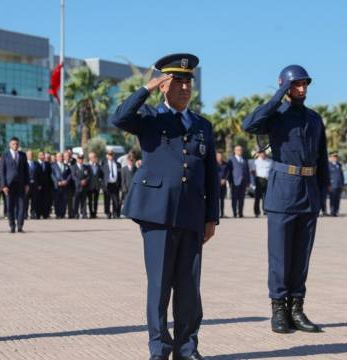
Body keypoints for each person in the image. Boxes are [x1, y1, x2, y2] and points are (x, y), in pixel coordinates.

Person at [112, 53, 219, 360]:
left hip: (191, 214)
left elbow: (211, 173)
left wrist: (212, 216)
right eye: (178, 81)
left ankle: (187, 348)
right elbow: (119, 117)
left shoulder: (203, 126)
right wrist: (146, 88)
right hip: (156, 212)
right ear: (164, 85)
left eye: (189, 82)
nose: (185, 87)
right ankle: (159, 348)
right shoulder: (149, 117)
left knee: (188, 287)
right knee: (159, 286)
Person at [243, 64, 328, 334]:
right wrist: (279, 94)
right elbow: (250, 124)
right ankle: (278, 308)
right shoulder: (276, 114)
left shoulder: (314, 119)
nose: (301, 89)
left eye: (304, 84)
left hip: (308, 192)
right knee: (280, 255)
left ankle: (297, 308)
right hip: (282, 193)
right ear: (285, 86)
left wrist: (321, 193)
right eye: (295, 85)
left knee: (301, 256)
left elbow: (322, 158)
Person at [1, 137, 30, 233]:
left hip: (21, 185)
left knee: (21, 206)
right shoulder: (5, 155)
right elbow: (2, 172)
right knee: (10, 206)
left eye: (17, 144)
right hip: (9, 186)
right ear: (10, 144)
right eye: (13, 144)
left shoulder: (22, 155)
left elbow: (26, 171)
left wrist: (27, 184)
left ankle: (20, 226)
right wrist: (3, 185)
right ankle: (12, 226)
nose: (15, 145)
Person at [227, 145, 250, 218]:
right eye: (238, 150)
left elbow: (247, 171)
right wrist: (229, 181)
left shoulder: (244, 159)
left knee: (242, 198)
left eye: (241, 150)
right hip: (235, 182)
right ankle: (234, 213)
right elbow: (229, 172)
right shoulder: (231, 159)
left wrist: (248, 181)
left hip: (243, 182)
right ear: (235, 151)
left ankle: (240, 213)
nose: (240, 151)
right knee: (234, 198)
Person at [101, 150, 121, 219]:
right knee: (107, 200)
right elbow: (101, 175)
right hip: (107, 184)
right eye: (109, 155)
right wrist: (103, 185)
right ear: (107, 156)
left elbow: (120, 175)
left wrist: (120, 184)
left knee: (115, 200)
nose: (111, 156)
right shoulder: (104, 164)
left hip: (115, 184)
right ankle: (108, 213)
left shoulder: (117, 164)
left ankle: (115, 213)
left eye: (112, 155)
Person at [252, 150, 272, 218]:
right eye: (261, 154)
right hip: (258, 180)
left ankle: (265, 210)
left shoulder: (269, 161)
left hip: (267, 180)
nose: (263, 155)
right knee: (257, 197)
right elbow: (252, 172)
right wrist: (253, 183)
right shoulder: (255, 161)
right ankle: (256, 212)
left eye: (264, 153)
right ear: (259, 154)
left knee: (266, 197)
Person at [51, 152, 71, 219]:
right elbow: (52, 175)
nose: (60, 158)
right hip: (57, 186)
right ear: (56, 158)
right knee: (57, 200)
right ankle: (58, 214)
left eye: (61, 156)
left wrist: (66, 181)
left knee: (64, 200)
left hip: (65, 186)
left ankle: (63, 213)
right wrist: (57, 182)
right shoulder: (53, 166)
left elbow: (69, 175)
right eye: (59, 157)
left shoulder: (66, 166)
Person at [72, 153, 91, 218]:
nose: (81, 160)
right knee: (76, 201)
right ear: (77, 159)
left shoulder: (86, 167)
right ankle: (75, 214)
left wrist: (85, 180)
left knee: (84, 201)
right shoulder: (73, 167)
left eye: (82, 159)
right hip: (76, 187)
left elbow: (88, 176)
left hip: (84, 186)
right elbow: (73, 176)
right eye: (79, 158)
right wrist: (80, 182)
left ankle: (84, 214)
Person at [87, 151, 103, 218]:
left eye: (95, 157)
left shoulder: (98, 166)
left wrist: (100, 181)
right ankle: (91, 213)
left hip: (96, 186)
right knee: (90, 201)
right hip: (89, 186)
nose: (94, 158)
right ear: (90, 158)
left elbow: (101, 175)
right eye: (93, 157)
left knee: (96, 201)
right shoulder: (87, 166)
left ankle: (95, 213)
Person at [327, 152, 345, 216]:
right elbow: (327, 176)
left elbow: (341, 175)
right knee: (332, 199)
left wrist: (343, 184)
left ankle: (336, 210)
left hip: (339, 185)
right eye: (333, 157)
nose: (335, 158)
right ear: (331, 158)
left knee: (338, 199)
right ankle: (332, 211)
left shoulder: (339, 165)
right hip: (332, 185)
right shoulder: (328, 165)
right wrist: (328, 184)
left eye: (336, 157)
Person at [37, 151, 53, 219]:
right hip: (38, 186)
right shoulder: (36, 164)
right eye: (41, 155)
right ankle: (38, 214)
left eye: (43, 155)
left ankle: (45, 214)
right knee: (38, 200)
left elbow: (50, 175)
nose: (42, 156)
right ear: (38, 156)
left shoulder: (47, 164)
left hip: (47, 186)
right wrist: (37, 184)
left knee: (46, 200)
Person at [26, 150, 40, 220]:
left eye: (31, 154)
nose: (30, 156)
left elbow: (39, 175)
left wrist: (39, 184)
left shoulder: (36, 164)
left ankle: (33, 213)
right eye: (29, 154)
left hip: (35, 185)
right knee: (26, 200)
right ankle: (25, 214)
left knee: (34, 201)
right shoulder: (24, 163)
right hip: (27, 185)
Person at [63, 151, 76, 218]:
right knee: (64, 200)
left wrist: (67, 180)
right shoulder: (62, 163)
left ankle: (71, 214)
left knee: (71, 200)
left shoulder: (73, 163)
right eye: (65, 156)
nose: (67, 157)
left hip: (71, 184)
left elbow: (72, 174)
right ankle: (63, 213)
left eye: (68, 156)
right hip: (63, 185)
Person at [216, 152, 229, 218]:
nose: (219, 157)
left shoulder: (225, 164)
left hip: (223, 184)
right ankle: (216, 214)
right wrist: (218, 180)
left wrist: (225, 179)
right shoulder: (213, 164)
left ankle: (222, 213)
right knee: (216, 200)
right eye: (218, 156)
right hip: (215, 184)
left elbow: (228, 173)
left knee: (222, 200)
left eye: (220, 156)